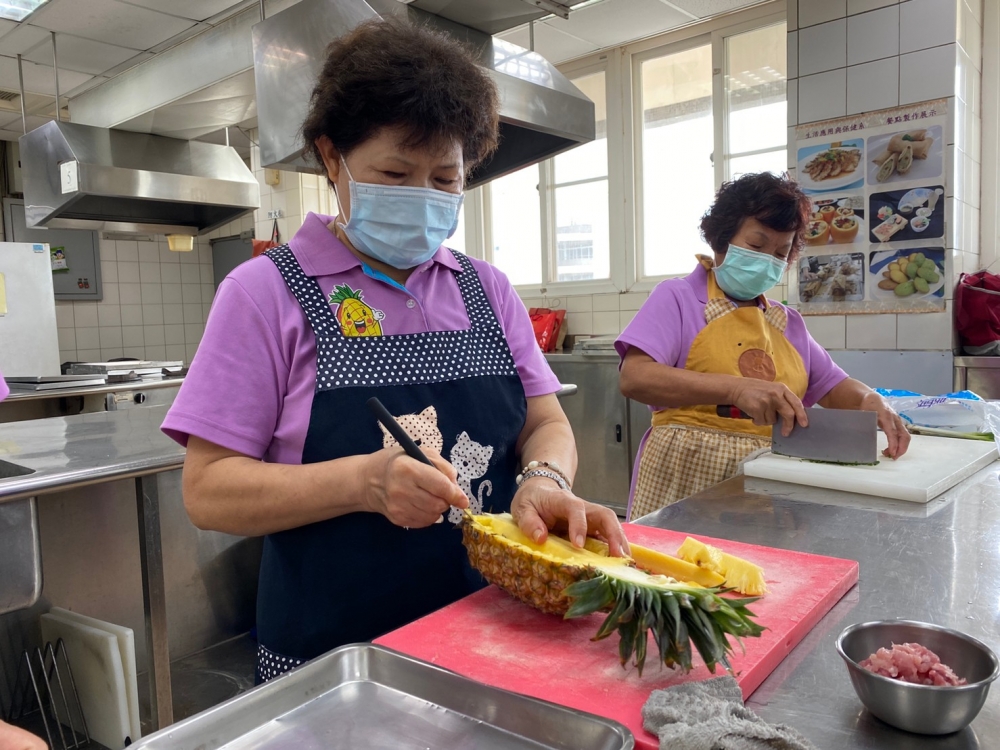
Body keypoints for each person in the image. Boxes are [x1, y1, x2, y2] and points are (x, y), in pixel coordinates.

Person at [163, 18, 627, 684]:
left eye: (445, 180)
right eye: (394, 171)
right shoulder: (265, 293)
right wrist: (362, 483)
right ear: (332, 158)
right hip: (338, 662)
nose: (421, 197)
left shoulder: (486, 288)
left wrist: (545, 479)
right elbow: (208, 491)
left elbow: (545, 421)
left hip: (491, 630)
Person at [617, 173, 910, 520]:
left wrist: (870, 401)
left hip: (765, 487)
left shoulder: (787, 323)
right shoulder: (679, 298)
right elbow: (634, 377)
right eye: (757, 246)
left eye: (780, 253)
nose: (768, 260)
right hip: (683, 481)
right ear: (722, 239)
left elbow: (833, 386)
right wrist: (736, 389)